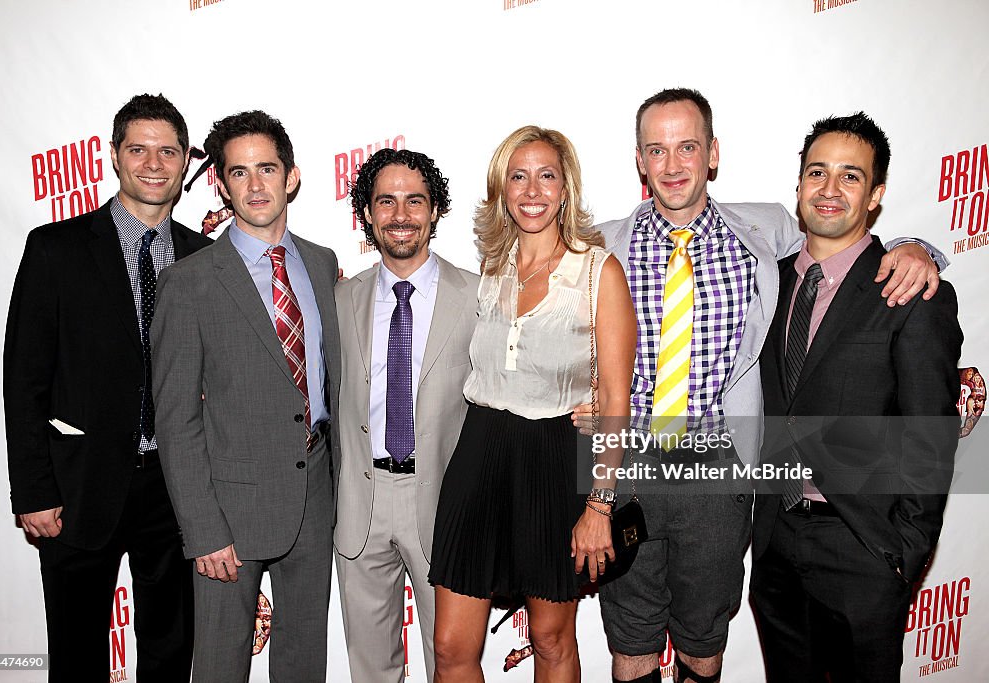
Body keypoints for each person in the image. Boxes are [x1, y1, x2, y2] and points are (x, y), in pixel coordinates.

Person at [582, 88, 947, 683]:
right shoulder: (599, 243)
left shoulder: (767, 230)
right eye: (657, 150)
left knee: (704, 643)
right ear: (640, 160)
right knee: (631, 641)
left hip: (719, 468)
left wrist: (920, 249)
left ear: (713, 153)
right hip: (627, 468)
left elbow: (843, 248)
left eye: (687, 147)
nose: (673, 165)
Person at [750, 112, 962, 682]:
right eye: (817, 172)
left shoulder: (910, 290)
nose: (829, 189)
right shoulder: (768, 283)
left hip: (862, 546)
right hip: (775, 544)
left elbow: (931, 435)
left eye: (850, 176)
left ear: (876, 195)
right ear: (798, 186)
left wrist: (902, 551)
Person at [3, 93, 206, 682]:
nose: (153, 162)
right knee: (77, 656)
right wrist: (32, 489)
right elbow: (24, 379)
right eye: (138, 149)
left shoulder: (204, 256)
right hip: (76, 485)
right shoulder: (55, 248)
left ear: (185, 162)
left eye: (168, 151)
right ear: (112, 155)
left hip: (176, 490)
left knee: (172, 653)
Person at [429, 125, 637, 682]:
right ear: (501, 191)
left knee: (549, 639)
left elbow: (617, 397)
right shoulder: (490, 272)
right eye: (517, 177)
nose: (532, 190)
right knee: (450, 648)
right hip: (480, 454)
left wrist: (599, 506)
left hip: (553, 458)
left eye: (547, 175)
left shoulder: (598, 271)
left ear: (566, 188)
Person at [152, 110, 340, 682]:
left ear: (293, 177)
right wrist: (202, 528)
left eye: (267, 169)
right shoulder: (189, 282)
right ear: (221, 184)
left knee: (304, 657)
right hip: (228, 508)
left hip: (316, 491)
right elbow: (175, 418)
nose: (255, 185)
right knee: (219, 662)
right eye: (239, 172)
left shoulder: (322, 262)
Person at [334, 147, 479, 682]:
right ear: (367, 214)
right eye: (386, 201)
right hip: (360, 505)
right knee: (371, 668)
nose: (400, 215)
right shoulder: (341, 297)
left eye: (415, 201)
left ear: (435, 210)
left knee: (452, 663)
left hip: (444, 502)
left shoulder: (477, 296)